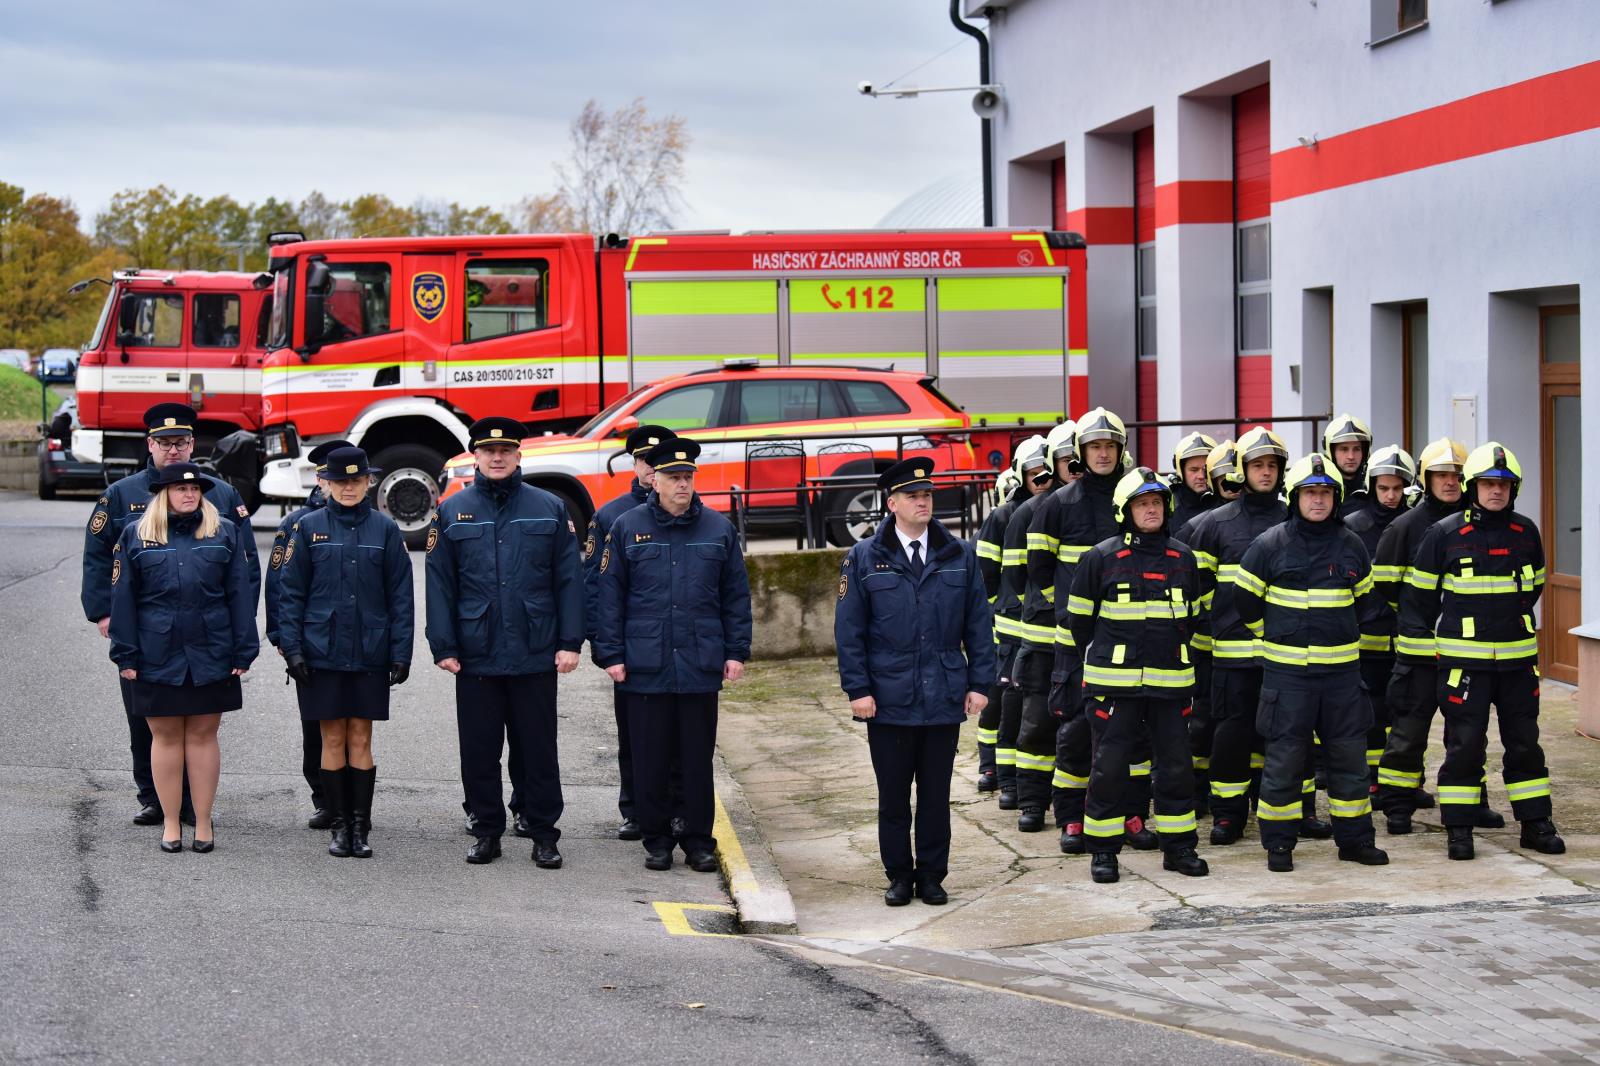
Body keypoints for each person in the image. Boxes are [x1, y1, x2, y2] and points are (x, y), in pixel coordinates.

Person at [81, 402, 259, 827]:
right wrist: (104, 614)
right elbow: (99, 557)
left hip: (206, 628)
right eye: (164, 443)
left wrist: (240, 625)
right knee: (145, 717)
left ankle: (193, 804)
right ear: (150, 445)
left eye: (180, 442)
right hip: (146, 629)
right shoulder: (122, 494)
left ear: (193, 444)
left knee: (199, 722)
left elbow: (245, 567)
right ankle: (153, 797)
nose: (173, 450)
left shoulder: (218, 492)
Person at [425, 417, 585, 867]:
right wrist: (445, 646)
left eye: (506, 451)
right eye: (488, 451)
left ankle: (543, 833)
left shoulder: (549, 507)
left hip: (535, 649)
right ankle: (486, 830)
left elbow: (568, 579)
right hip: (476, 652)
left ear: (519, 455)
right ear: (475, 456)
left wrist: (570, 641)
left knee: (537, 749)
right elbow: (440, 585)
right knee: (478, 750)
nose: (497, 458)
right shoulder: (453, 511)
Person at [835, 459, 995, 905]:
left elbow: (979, 623)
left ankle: (931, 876)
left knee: (935, 796)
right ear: (892, 504)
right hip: (887, 697)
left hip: (943, 692)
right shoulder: (865, 556)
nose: (923, 501)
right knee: (893, 797)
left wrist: (980, 682)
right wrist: (858, 690)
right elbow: (849, 631)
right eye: (912, 495)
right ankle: (899, 876)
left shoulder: (959, 554)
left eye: (926, 494)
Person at [1397, 443, 1564, 861]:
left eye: (1504, 485)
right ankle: (1459, 827)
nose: (1496, 492)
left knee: (1525, 744)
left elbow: (1535, 586)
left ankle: (1535, 823)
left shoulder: (1526, 532)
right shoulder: (1444, 534)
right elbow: (1418, 600)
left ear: (1514, 489)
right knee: (1465, 746)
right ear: (1473, 487)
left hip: (1517, 663)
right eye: (1489, 484)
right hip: (1463, 665)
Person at [595, 438, 753, 872]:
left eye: (688, 477)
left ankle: (699, 840)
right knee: (650, 756)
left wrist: (736, 651)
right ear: (656, 481)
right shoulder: (627, 526)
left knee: (697, 757)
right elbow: (610, 597)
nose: (682, 485)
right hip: (646, 663)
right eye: (674, 478)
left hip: (700, 662)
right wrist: (610, 653)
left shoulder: (718, 530)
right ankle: (658, 839)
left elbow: (735, 597)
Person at [1234, 454, 1388, 872]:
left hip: (1341, 677)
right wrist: (1271, 636)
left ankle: (1355, 840)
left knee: (1349, 761)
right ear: (1294, 496)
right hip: (1289, 679)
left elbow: (1364, 601)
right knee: (1284, 762)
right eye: (1309, 493)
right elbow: (1244, 601)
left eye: (1325, 493)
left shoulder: (1351, 544)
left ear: (1336, 498)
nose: (1317, 501)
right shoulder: (1269, 544)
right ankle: (1279, 844)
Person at [108, 462, 258, 852]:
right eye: (179, 489)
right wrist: (125, 653)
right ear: (163, 495)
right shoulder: (136, 535)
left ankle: (203, 822)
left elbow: (240, 595)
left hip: (212, 651)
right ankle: (171, 822)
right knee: (166, 737)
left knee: (203, 737)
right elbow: (123, 600)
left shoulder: (223, 532)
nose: (189, 495)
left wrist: (245, 647)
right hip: (157, 652)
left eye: (195, 490)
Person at [1068, 467, 1208, 883]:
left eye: (1157, 503)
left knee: (1177, 768)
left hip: (1171, 685)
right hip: (1115, 686)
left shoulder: (1184, 558)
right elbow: (1079, 624)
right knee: (1109, 769)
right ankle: (1104, 852)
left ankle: (1179, 847)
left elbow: (1193, 618)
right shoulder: (1100, 558)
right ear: (1124, 511)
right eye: (1143, 503)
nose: (1152, 510)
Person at [277, 447, 414, 858]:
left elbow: (400, 597)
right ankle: (339, 825)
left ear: (368, 482)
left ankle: (360, 825)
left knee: (361, 737)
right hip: (322, 651)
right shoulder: (308, 528)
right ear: (326, 483)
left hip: (370, 649)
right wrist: (293, 650)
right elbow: (291, 595)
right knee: (331, 737)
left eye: (356, 480)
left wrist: (401, 651)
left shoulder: (385, 530)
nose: (349, 487)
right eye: (341, 481)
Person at [1031, 408, 1155, 854]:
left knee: (1136, 734)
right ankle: (1071, 818)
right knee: (1078, 732)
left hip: (1133, 642)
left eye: (1109, 446)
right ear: (1081, 452)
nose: (1102, 454)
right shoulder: (1057, 504)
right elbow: (1040, 571)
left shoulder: (1136, 498)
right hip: (1078, 645)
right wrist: (1069, 615)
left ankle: (1134, 815)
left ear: (1121, 450)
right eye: (1094, 447)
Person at [1374, 438, 1502, 833]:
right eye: (1441, 475)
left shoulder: (1479, 523)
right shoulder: (1405, 526)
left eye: (1456, 476)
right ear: (1426, 479)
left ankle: (1471, 801)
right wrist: (1419, 623)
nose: (1449, 482)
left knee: (1468, 733)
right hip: (1420, 651)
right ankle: (1398, 805)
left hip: (1467, 654)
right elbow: (1387, 584)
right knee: (1408, 731)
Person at [1188, 427, 1306, 844]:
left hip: (1285, 655)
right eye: (1258, 465)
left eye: (1273, 465)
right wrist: (1210, 637)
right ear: (1242, 470)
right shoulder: (1215, 524)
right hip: (1232, 655)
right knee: (1232, 737)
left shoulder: (1294, 521)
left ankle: (1295, 811)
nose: (1266, 472)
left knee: (1288, 734)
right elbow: (1196, 594)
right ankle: (1228, 815)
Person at [583, 423, 678, 840]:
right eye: (643, 460)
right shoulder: (611, 515)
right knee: (633, 735)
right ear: (635, 464)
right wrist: (605, 647)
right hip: (633, 648)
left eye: (658, 461)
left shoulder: (686, 507)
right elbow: (594, 584)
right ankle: (635, 809)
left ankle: (677, 809)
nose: (650, 468)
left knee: (680, 739)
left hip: (680, 648)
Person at [264, 438, 352, 830]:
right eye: (328, 475)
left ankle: (354, 799)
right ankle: (325, 797)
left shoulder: (372, 521)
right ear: (319, 479)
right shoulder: (296, 524)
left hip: (357, 644)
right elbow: (278, 584)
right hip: (312, 644)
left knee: (356, 725)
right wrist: (282, 637)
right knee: (316, 726)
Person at [1342, 444, 1416, 791]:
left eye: (1397, 488)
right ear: (1372, 487)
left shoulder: (1415, 525)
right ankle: (1372, 780)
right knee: (1370, 711)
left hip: (1407, 635)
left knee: (1407, 710)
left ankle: (1406, 781)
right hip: (1366, 635)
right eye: (1384, 488)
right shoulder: (1354, 526)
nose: (1390, 495)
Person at [1173, 439, 1240, 815]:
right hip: (1202, 641)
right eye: (1195, 470)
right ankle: (1197, 792)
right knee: (1200, 721)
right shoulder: (1191, 521)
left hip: (1245, 643)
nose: (1202, 477)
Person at [989, 438, 1054, 810]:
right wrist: (1004, 610)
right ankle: (1009, 781)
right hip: (1019, 627)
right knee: (1014, 709)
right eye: (1033, 473)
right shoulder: (1010, 515)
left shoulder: (1058, 506)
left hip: (1045, 629)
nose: (1040, 478)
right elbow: (995, 574)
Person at [972, 444, 1032, 793]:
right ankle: (989, 765)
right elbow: (986, 574)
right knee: (996, 699)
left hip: (1025, 624)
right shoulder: (1002, 517)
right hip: (1004, 626)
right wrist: (1000, 607)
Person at [1322, 413, 1374, 517]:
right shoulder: (1320, 489)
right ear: (1331, 452)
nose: (1351, 456)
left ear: (1365, 452)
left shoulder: (1376, 489)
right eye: (1344, 449)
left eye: (1357, 449)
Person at [1169, 431, 1219, 531]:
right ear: (1181, 471)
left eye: (1206, 469)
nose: (1201, 476)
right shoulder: (1169, 507)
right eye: (1194, 470)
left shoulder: (1229, 500)